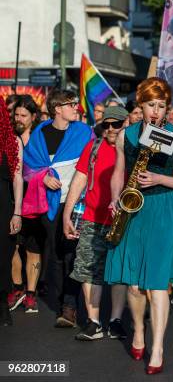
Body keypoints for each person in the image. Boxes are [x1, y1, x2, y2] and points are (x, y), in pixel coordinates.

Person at [104, 77, 173, 374]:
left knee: (157, 285)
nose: (156, 111)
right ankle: (139, 331)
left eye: (161, 106)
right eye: (151, 105)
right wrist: (116, 198)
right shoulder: (125, 135)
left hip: (163, 208)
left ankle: (158, 348)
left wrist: (159, 178)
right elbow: (119, 171)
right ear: (139, 106)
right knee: (133, 285)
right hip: (133, 210)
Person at [23, 90, 93, 327]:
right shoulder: (40, 132)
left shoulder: (84, 132)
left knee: (72, 252)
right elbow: (28, 167)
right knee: (55, 255)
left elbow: (92, 163)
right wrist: (42, 177)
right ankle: (63, 299)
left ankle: (69, 307)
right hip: (49, 203)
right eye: (71, 104)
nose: (76, 107)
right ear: (57, 109)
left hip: (76, 202)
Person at [63, 107, 129, 341]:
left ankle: (116, 321)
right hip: (92, 218)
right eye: (107, 125)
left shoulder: (133, 148)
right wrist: (67, 214)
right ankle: (93, 322)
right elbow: (80, 179)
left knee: (120, 272)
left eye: (116, 124)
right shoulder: (93, 147)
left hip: (124, 219)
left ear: (126, 122)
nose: (111, 129)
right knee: (88, 271)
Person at [8, 95, 43, 314]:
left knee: (33, 249)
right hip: (14, 202)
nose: (19, 119)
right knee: (13, 246)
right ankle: (18, 288)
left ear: (33, 117)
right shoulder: (9, 137)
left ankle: (31, 294)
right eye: (16, 114)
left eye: (23, 115)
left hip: (36, 203)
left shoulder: (39, 138)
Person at [0, 97, 23, 326]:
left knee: (3, 257)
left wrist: (17, 212)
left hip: (4, 206)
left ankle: (2, 303)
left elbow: (17, 178)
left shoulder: (12, 141)